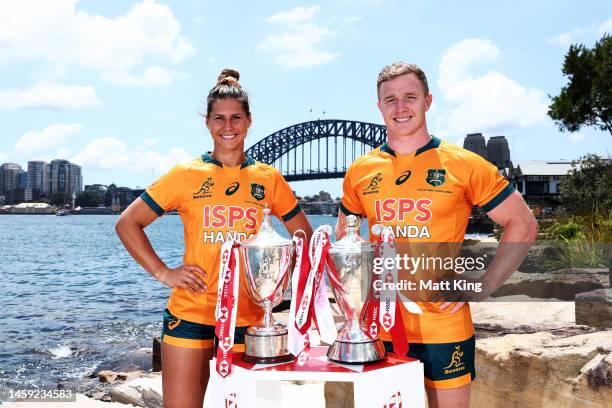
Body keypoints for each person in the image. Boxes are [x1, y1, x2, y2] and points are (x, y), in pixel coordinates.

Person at [336, 62, 538, 408]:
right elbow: (344, 239)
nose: (401, 108)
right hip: (378, 327)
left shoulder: (463, 164)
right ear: (379, 107)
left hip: (443, 326)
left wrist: (483, 283)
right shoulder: (360, 171)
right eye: (391, 100)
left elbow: (523, 223)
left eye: (410, 97)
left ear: (428, 101)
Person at [115, 68, 312, 408]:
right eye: (219, 118)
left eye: (236, 118)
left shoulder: (268, 178)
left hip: (250, 318)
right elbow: (128, 223)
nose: (228, 126)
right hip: (191, 311)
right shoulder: (185, 175)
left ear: (249, 121)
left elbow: (305, 238)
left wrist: (280, 274)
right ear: (207, 123)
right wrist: (164, 273)